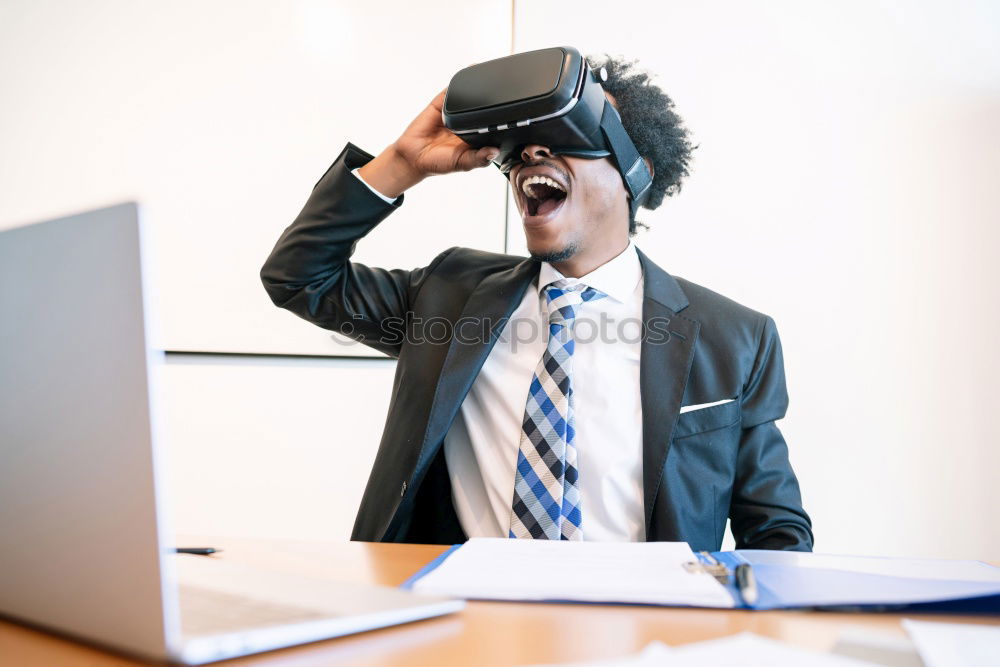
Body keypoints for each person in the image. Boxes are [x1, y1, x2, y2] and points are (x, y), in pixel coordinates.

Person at [260, 56, 813, 551]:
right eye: (522, 145)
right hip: (466, 629)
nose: (532, 152)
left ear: (633, 171)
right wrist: (400, 164)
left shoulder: (734, 337)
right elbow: (298, 277)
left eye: (567, 134)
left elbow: (775, 532)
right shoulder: (448, 295)